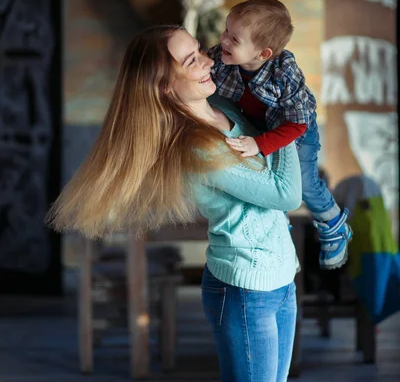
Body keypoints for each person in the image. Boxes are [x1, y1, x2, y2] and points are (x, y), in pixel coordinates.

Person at [47, 25, 302, 382]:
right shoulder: (195, 146)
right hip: (246, 288)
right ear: (166, 86)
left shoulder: (225, 107)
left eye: (199, 50)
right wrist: (290, 120)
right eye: (191, 60)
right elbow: (286, 195)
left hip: (280, 276)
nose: (207, 62)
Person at [208, 0, 353, 270]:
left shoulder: (283, 71)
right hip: (259, 129)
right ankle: (278, 236)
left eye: (234, 39)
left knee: (303, 182)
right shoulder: (221, 56)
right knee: (269, 182)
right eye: (226, 31)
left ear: (262, 53)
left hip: (296, 131)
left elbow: (296, 124)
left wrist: (261, 144)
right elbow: (201, 72)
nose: (224, 40)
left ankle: (333, 224)